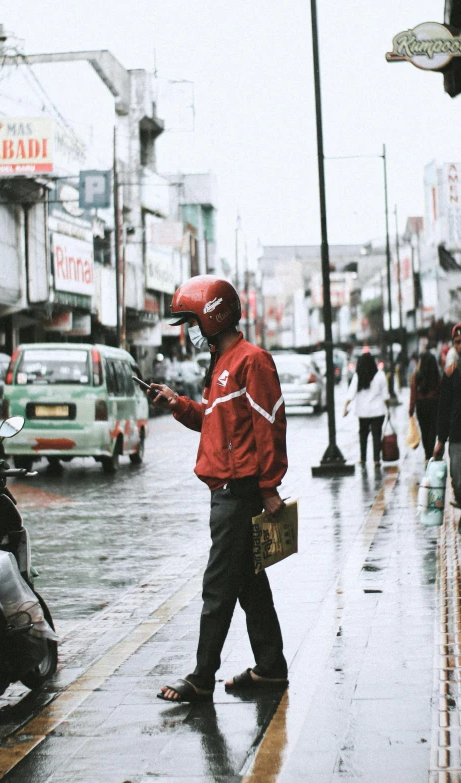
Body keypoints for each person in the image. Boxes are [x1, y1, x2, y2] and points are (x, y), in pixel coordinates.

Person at [148, 275, 288, 703]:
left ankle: (202, 677)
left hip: (240, 492)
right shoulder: (219, 364)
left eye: (191, 320)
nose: (188, 330)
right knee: (249, 583)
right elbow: (212, 421)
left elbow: (270, 425)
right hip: (224, 491)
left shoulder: (252, 361)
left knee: (218, 587)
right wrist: (177, 404)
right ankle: (271, 668)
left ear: (213, 316)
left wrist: (269, 488)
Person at [343, 349, 389, 467]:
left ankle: (363, 458)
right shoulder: (380, 375)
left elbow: (351, 393)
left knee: (363, 434)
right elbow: (385, 395)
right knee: (376, 434)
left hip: (363, 412)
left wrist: (345, 406)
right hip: (378, 411)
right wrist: (388, 409)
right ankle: (376, 459)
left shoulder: (358, 376)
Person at [433, 322, 461, 508]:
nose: (460, 346)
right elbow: (444, 409)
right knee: (458, 479)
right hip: (457, 435)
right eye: (457, 342)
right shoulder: (451, 373)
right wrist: (441, 440)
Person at [408, 351, 441, 462]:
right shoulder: (437, 376)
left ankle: (427, 455)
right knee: (432, 430)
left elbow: (413, 393)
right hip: (434, 405)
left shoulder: (416, 376)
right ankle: (430, 454)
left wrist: (411, 410)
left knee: (424, 430)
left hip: (421, 405)